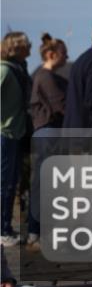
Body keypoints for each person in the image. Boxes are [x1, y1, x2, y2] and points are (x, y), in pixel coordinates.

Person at [25, 34, 69, 249]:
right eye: (63, 52)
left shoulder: (45, 76)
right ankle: (37, 233)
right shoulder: (47, 77)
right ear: (52, 54)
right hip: (49, 132)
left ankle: (38, 232)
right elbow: (61, 105)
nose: (67, 56)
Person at [1, 34, 32, 247]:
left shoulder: (19, 69)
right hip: (4, 132)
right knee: (3, 183)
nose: (30, 47)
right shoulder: (4, 70)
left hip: (15, 132)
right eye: (26, 44)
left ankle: (5, 226)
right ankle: (2, 229)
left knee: (10, 183)